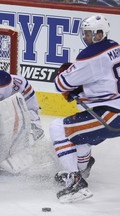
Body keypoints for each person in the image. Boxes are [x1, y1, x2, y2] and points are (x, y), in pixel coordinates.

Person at [49, 14, 120, 203]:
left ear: (100, 34)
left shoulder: (91, 55)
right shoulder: (116, 47)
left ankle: (76, 181)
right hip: (112, 110)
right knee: (80, 137)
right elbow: (105, 79)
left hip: (109, 115)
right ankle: (82, 168)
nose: (88, 37)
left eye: (91, 33)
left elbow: (61, 85)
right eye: (86, 33)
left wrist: (68, 81)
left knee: (58, 128)